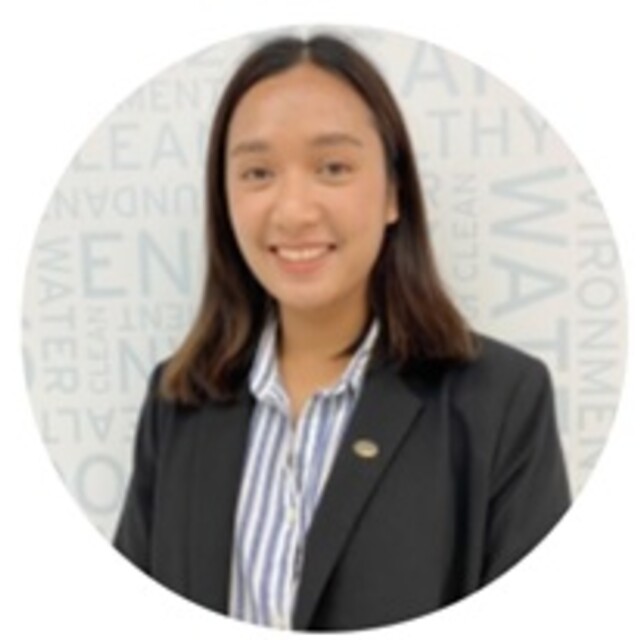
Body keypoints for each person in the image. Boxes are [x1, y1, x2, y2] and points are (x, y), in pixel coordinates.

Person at [113, 33, 571, 631]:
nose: (294, 211)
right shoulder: (177, 403)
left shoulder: (500, 402)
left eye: (333, 168)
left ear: (394, 194)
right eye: (257, 172)